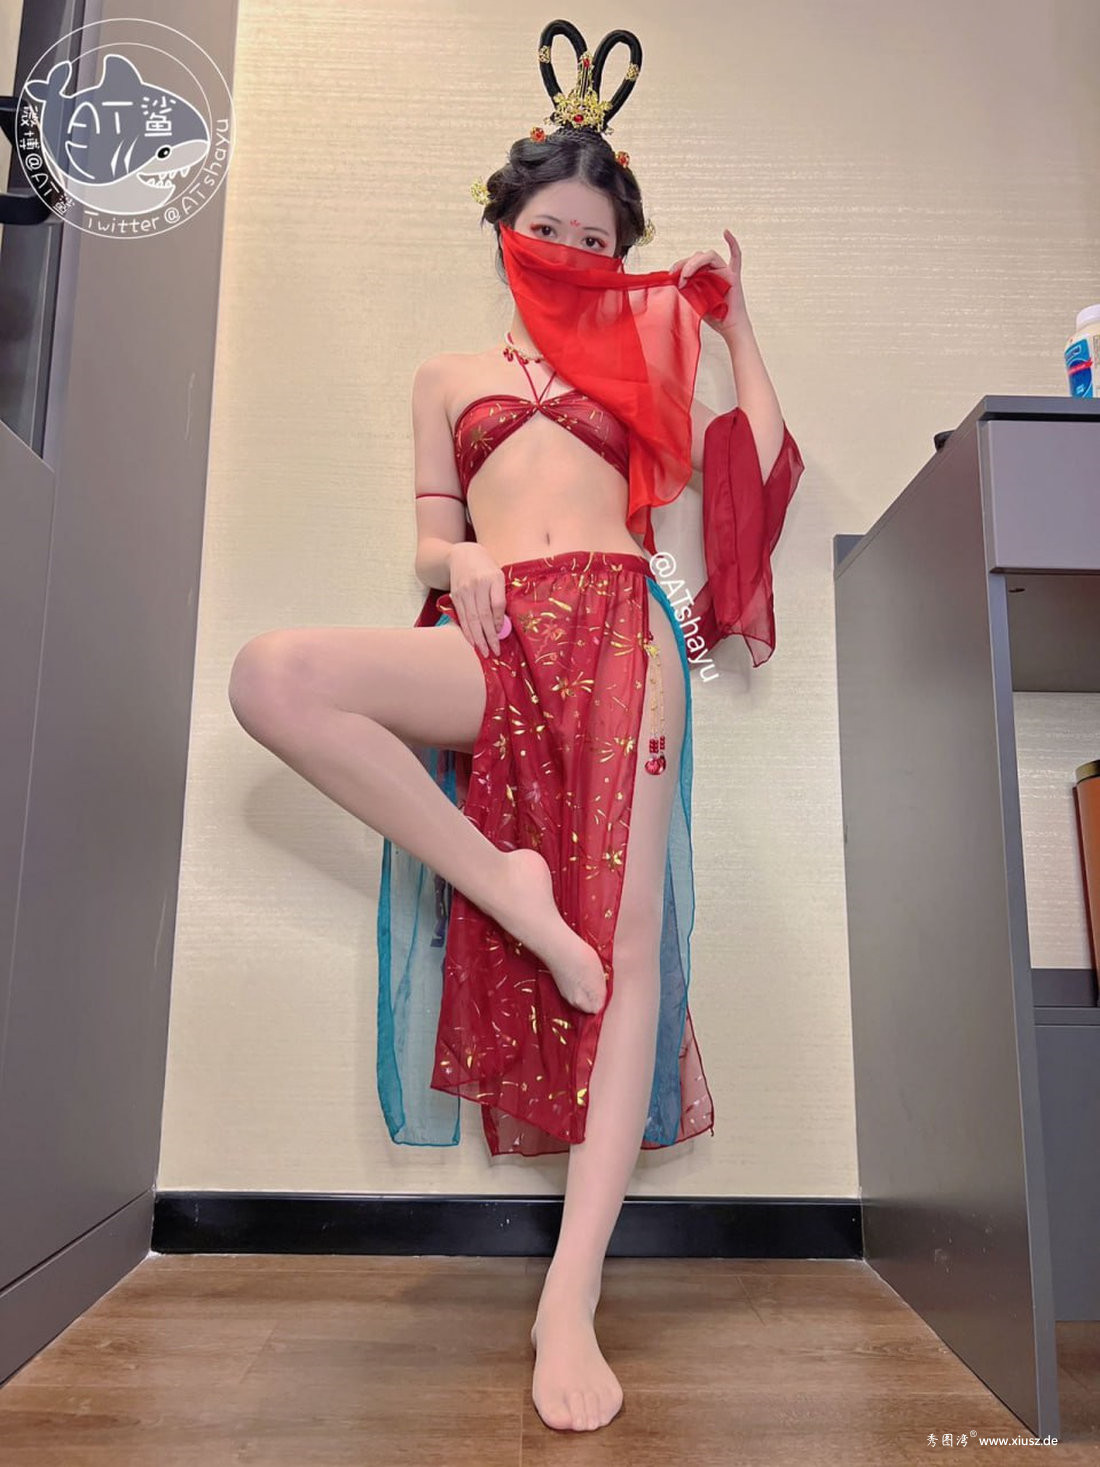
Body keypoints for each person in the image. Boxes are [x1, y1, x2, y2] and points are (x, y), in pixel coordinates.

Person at [228, 19, 803, 1436]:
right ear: (505, 235)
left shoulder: (649, 354)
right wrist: (462, 560)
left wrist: (737, 325)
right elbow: (430, 538)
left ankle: (569, 1297)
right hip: (495, 632)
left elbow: (757, 464)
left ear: (623, 253)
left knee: (629, 947)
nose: (573, 253)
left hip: (621, 636)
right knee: (276, 678)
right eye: (550, 231)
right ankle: (505, 884)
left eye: (600, 241)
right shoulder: (444, 376)